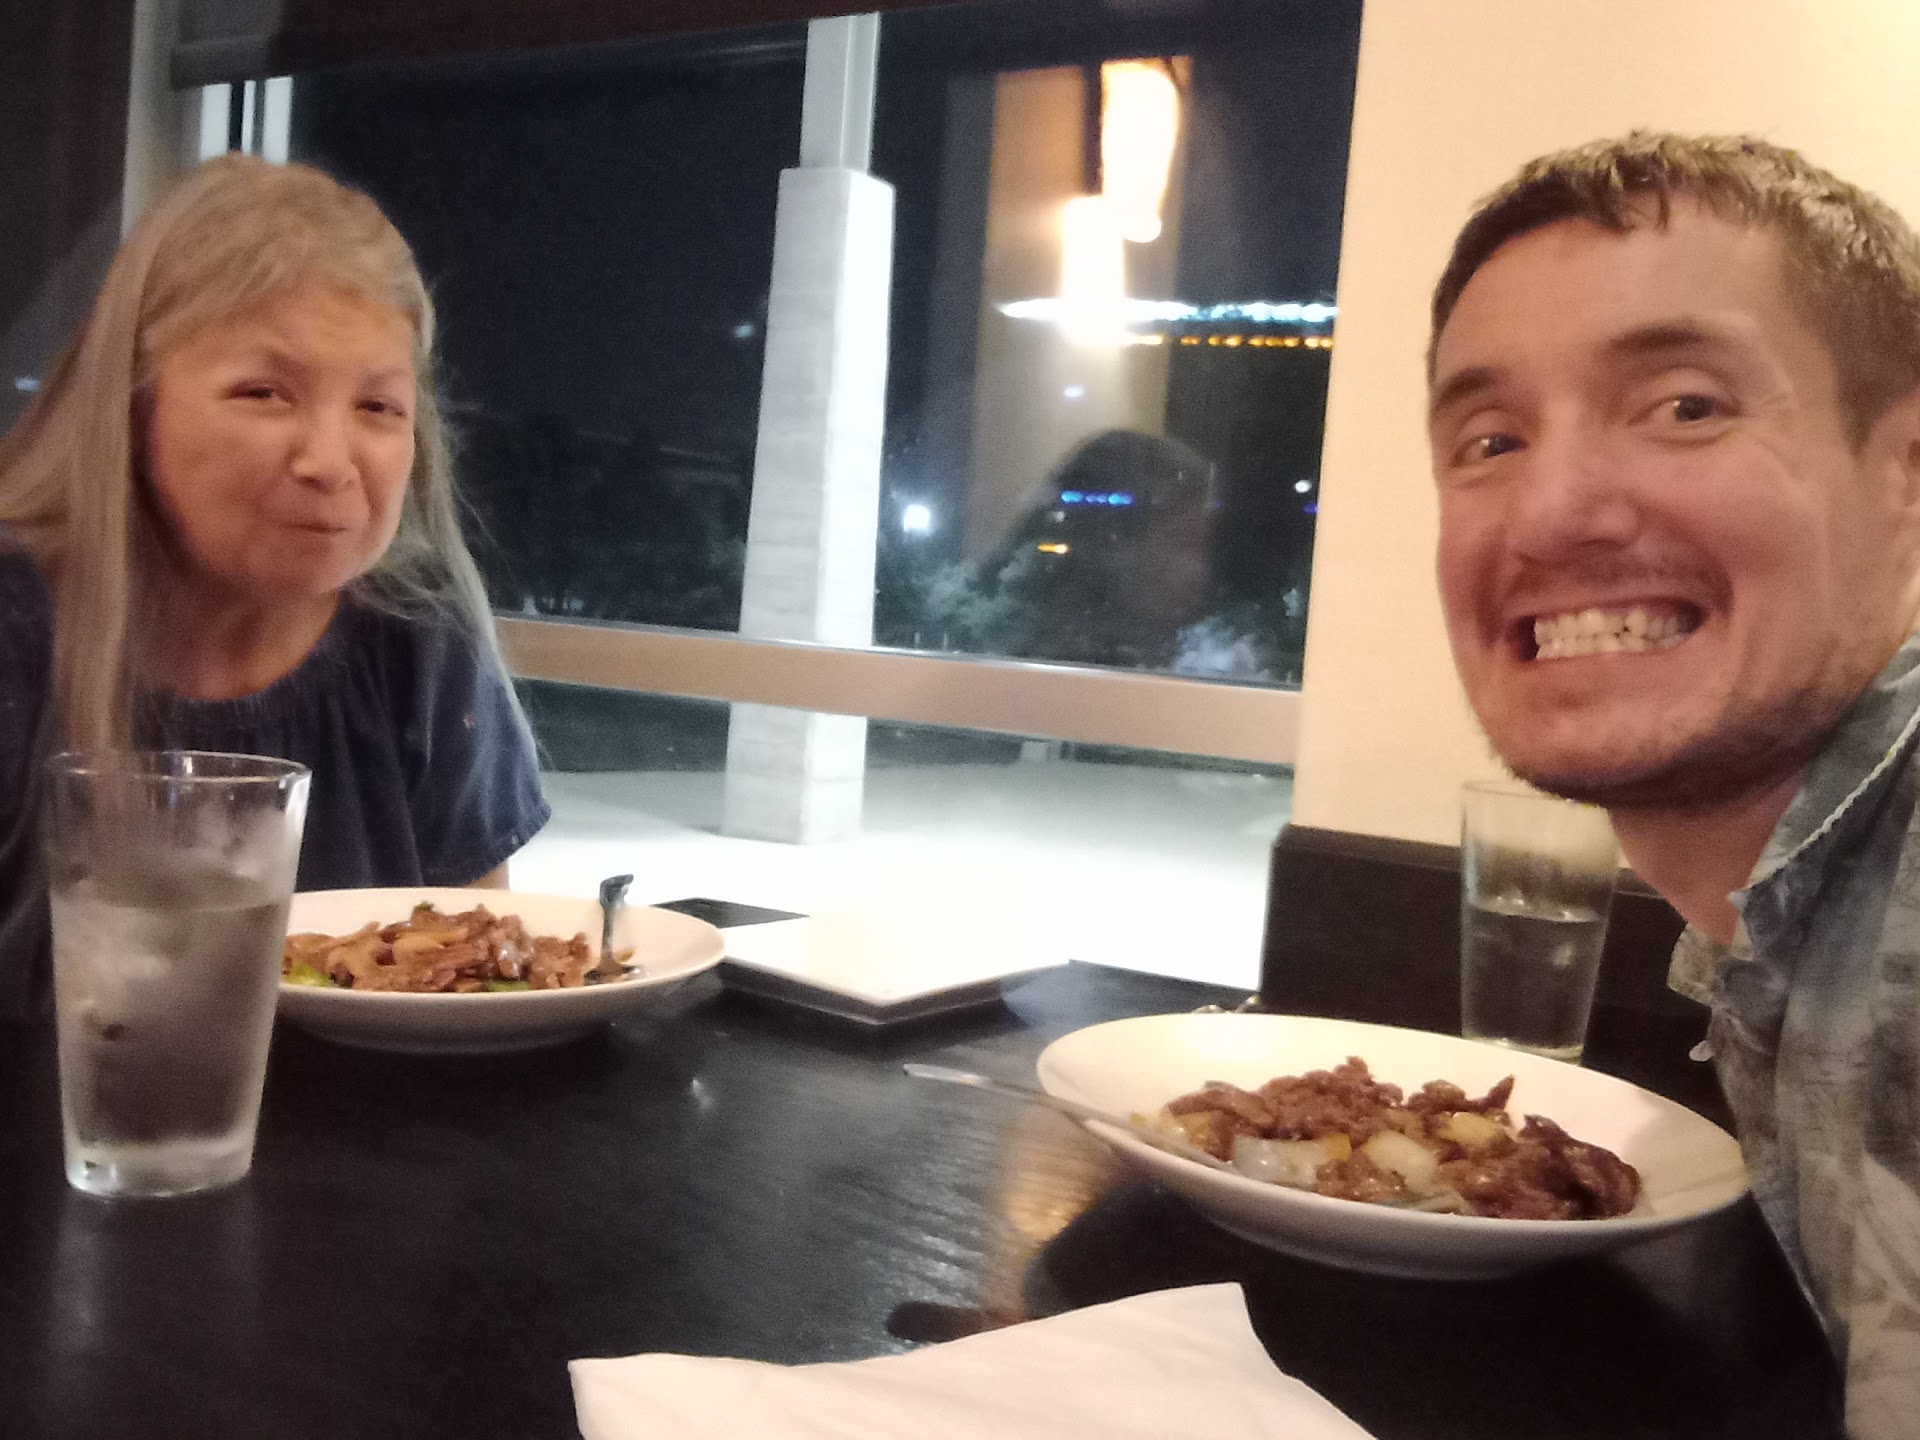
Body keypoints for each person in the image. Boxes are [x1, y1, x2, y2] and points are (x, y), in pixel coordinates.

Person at [1427, 132, 1920, 1437]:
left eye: (1686, 406)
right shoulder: (1784, 936)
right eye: (1490, 439)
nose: (1548, 513)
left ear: (1908, 475)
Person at [0, 154, 549, 1018]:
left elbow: (487, 985)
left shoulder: (417, 639)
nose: (329, 462)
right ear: (132, 406)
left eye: (378, 407)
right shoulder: (16, 630)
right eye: (264, 393)